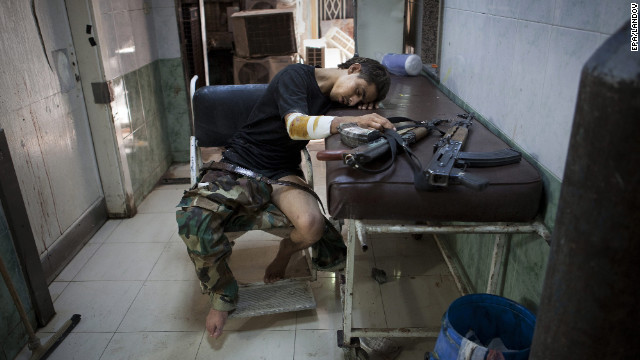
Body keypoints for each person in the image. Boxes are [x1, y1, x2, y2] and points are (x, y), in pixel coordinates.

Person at [176, 56, 394, 340]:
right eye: (358, 91)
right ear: (352, 69)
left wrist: (366, 106)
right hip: (242, 162)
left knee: (312, 225)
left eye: (360, 99)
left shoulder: (339, 97)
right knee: (195, 217)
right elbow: (296, 126)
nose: (353, 101)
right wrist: (350, 118)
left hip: (281, 170)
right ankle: (222, 296)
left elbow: (349, 109)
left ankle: (286, 252)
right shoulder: (295, 77)